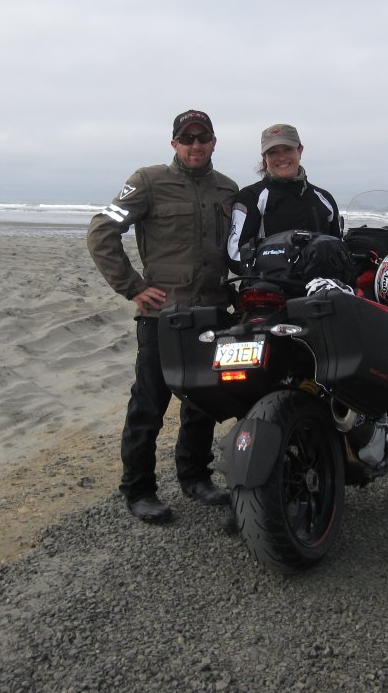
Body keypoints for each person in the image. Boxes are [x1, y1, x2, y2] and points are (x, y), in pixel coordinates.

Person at [87, 110, 238, 524]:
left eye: (202, 138)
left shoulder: (228, 190)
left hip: (212, 314)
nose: (195, 145)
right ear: (174, 143)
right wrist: (133, 287)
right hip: (163, 317)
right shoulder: (147, 182)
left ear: (213, 142)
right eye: (186, 138)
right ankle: (139, 490)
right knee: (149, 405)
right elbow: (101, 229)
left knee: (204, 403)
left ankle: (195, 477)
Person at [226, 123, 341, 271]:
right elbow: (234, 256)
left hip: (320, 289)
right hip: (268, 289)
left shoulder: (324, 199)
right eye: (273, 152)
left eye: (288, 149)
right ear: (264, 157)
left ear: (300, 150)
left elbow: (338, 249)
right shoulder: (250, 197)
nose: (282, 157)